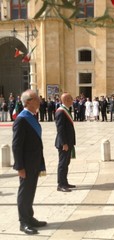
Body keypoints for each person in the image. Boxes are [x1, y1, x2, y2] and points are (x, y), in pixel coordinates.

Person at [12, 89, 47, 235]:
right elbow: (16, 145)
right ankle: (23, 222)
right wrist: (19, 166)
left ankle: (30, 217)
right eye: (36, 98)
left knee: (31, 190)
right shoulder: (22, 119)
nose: (39, 101)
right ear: (28, 102)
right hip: (26, 164)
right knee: (25, 191)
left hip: (34, 161)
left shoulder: (32, 116)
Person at [55, 92, 76, 192]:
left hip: (68, 142)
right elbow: (60, 129)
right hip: (64, 143)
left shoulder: (66, 110)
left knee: (66, 163)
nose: (72, 100)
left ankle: (65, 182)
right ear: (66, 100)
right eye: (71, 99)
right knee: (62, 164)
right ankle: (60, 184)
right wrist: (64, 143)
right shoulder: (61, 111)